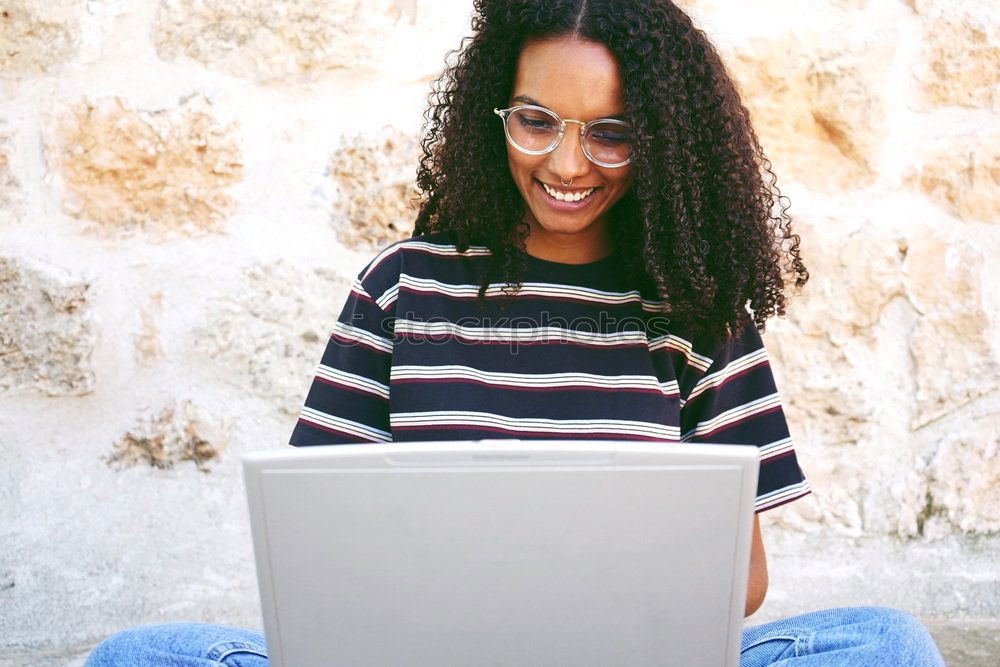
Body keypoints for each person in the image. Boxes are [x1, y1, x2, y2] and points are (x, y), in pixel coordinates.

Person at [86, 0, 945, 664]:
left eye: (611, 134)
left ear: (663, 143)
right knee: (135, 655)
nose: (568, 165)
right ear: (493, 114)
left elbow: (742, 585)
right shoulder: (402, 288)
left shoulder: (696, 312)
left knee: (888, 643)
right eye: (537, 121)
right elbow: (315, 553)